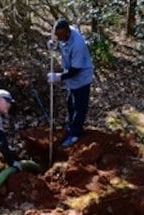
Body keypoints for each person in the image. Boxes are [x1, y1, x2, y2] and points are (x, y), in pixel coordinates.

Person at [47, 18, 94, 147]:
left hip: (81, 77)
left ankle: (76, 134)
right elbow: (60, 45)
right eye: (57, 36)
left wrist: (59, 77)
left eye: (60, 37)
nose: (59, 38)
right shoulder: (63, 34)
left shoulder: (78, 44)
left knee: (79, 107)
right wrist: (54, 45)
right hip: (71, 78)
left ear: (67, 33)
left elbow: (76, 70)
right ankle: (71, 126)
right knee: (70, 103)